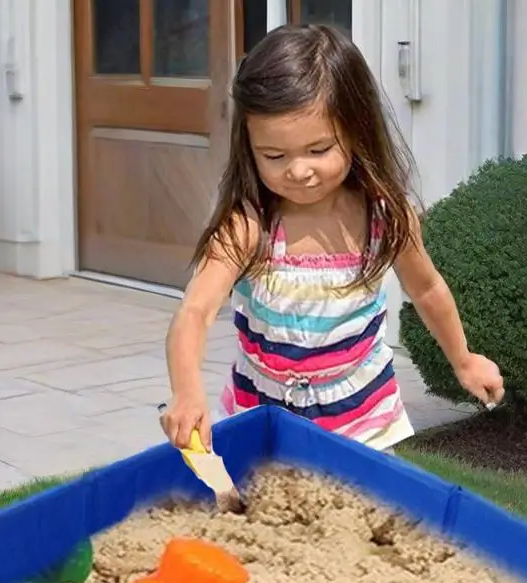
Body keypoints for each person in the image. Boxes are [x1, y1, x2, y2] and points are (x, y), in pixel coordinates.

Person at [160, 23, 504, 453]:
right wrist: (187, 391)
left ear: (356, 131)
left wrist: (464, 358)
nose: (299, 170)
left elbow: (427, 287)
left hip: (365, 422)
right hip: (264, 422)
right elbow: (195, 311)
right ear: (249, 147)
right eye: (274, 156)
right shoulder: (249, 226)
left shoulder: (383, 216)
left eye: (319, 150)